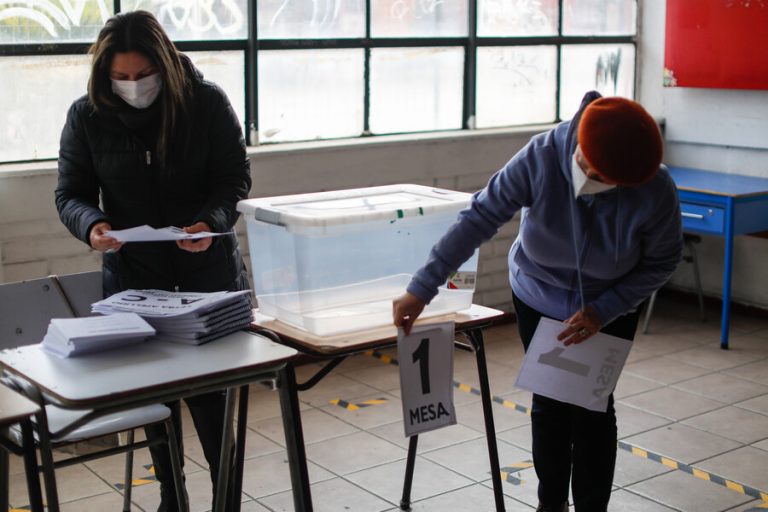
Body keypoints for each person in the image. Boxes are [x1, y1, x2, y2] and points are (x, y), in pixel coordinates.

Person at [392, 92, 683, 512]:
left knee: (592, 410)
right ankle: (550, 505)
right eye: (587, 169)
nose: (591, 180)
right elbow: (479, 217)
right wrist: (422, 287)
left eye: (605, 180)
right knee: (549, 405)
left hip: (610, 306)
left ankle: (591, 506)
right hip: (538, 294)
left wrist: (605, 309)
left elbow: (662, 261)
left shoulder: (653, 186)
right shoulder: (543, 156)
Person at [55, 10, 251, 511]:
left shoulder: (204, 103)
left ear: (163, 62)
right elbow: (70, 194)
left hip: (206, 277)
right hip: (133, 282)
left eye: (143, 75)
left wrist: (210, 222)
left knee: (212, 399)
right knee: (153, 398)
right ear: (104, 74)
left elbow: (234, 179)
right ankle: (172, 495)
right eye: (120, 77)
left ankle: (226, 497)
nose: (133, 86)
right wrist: (93, 226)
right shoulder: (87, 115)